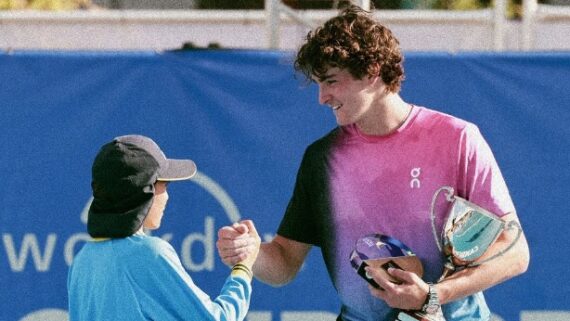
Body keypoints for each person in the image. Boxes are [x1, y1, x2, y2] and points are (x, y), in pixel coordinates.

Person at [216, 5, 530, 321]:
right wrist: (252, 252)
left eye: (331, 81)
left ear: (372, 71)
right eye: (318, 84)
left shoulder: (458, 139)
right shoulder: (322, 158)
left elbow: (514, 253)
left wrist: (433, 295)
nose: (322, 97)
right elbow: (284, 262)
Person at [68, 134, 260, 321]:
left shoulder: (82, 259)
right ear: (145, 190)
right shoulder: (148, 254)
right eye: (164, 186)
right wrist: (243, 267)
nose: (167, 197)